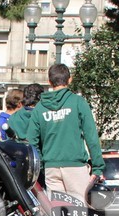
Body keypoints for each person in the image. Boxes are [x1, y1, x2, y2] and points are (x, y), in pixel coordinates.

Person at [25, 63, 104, 204]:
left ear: (49, 82)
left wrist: (42, 165)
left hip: (51, 167)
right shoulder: (78, 102)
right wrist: (97, 167)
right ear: (70, 79)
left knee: (59, 211)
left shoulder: (39, 108)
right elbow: (91, 136)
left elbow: (31, 142)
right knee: (80, 209)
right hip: (75, 165)